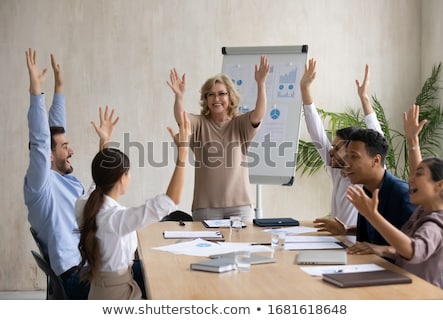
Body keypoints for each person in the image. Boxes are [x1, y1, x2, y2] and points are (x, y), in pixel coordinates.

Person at [23, 49, 118, 299]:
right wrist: (36, 94)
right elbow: (43, 138)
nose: (71, 150)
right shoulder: (40, 187)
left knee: (144, 269)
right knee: (147, 282)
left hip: (89, 266)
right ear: (49, 155)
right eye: (65, 147)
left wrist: (60, 86)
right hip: (75, 278)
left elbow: (98, 196)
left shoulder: (69, 182)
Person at [76, 112, 191, 300]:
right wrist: (183, 154)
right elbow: (170, 200)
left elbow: (99, 179)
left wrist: (104, 142)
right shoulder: (116, 218)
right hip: (117, 294)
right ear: (122, 178)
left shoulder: (83, 205)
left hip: (99, 291)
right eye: (128, 174)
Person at [346, 104, 443, 288]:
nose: (410, 180)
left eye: (419, 175)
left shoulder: (438, 223)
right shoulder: (422, 213)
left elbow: (413, 250)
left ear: (439, 186)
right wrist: (412, 142)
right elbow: (404, 246)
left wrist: (372, 215)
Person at [167, 56, 270, 221]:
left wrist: (261, 84)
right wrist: (179, 96)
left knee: (243, 247)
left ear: (230, 97)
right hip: (206, 208)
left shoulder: (240, 124)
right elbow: (182, 119)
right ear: (206, 99)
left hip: (240, 209)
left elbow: (258, 113)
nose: (216, 99)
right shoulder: (200, 124)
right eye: (211, 95)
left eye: (222, 94)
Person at [300, 58, 382, 230]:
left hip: (356, 245)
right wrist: (305, 89)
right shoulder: (337, 169)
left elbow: (378, 138)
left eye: (337, 148)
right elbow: (317, 132)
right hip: (337, 241)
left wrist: (364, 98)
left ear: (352, 151)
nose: (331, 151)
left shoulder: (365, 175)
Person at [343, 127, 415, 252]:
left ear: (375, 160)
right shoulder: (367, 190)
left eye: (354, 157)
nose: (347, 163)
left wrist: (382, 249)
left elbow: (418, 250)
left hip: (396, 270)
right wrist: (345, 230)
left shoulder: (402, 194)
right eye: (347, 157)